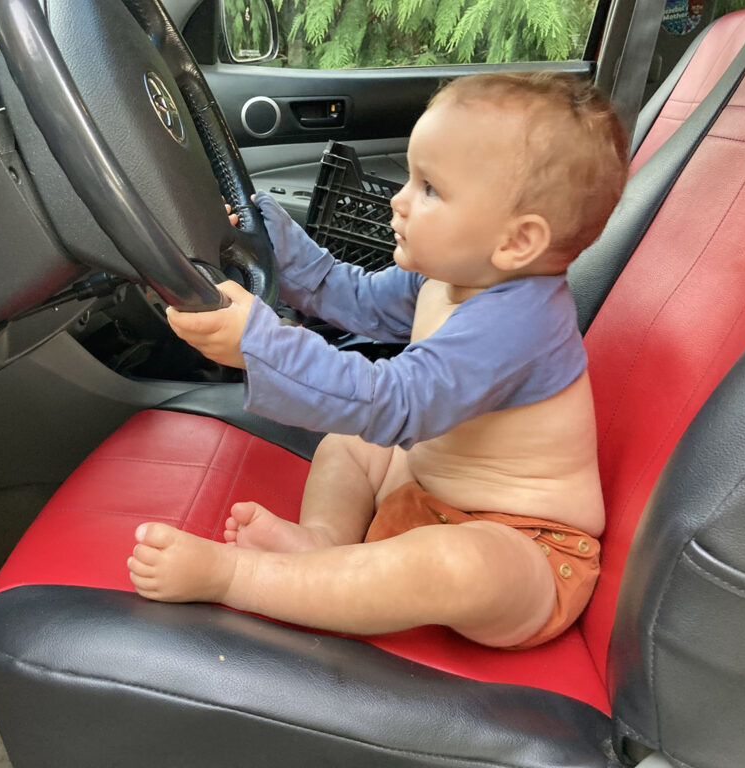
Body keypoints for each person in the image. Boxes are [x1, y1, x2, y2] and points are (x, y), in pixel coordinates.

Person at [127, 73, 628, 649]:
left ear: (516, 242)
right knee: (350, 444)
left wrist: (260, 343)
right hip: (425, 493)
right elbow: (351, 296)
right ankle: (321, 542)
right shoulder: (447, 276)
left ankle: (239, 577)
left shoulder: (520, 324)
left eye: (430, 190)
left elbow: (396, 402)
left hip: (526, 549)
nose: (399, 199)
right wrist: (274, 238)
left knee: (453, 564)